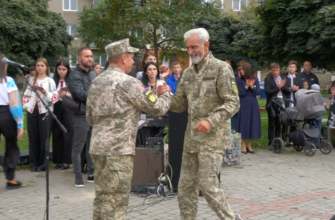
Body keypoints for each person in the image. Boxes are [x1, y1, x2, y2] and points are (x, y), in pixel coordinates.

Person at [158, 28, 242, 220]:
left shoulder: (221, 68)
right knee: (185, 187)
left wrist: (211, 121)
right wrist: (166, 95)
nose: (190, 51)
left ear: (206, 45)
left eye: (194, 47)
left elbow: (233, 102)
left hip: (212, 140)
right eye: (188, 48)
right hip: (192, 141)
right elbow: (179, 105)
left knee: (208, 185)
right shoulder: (187, 74)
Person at [86, 38, 171, 220]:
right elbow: (156, 107)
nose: (134, 62)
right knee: (116, 201)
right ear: (123, 58)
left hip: (98, 148)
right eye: (132, 57)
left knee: (102, 198)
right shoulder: (129, 83)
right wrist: (166, 96)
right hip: (118, 151)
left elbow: (89, 117)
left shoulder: (96, 82)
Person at [23, 58, 58, 172]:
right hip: (32, 111)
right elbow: (26, 95)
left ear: (46, 67)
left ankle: (43, 164)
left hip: (45, 112)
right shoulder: (31, 79)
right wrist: (27, 106)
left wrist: (45, 92)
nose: (39, 67)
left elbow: (54, 98)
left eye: (42, 65)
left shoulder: (50, 81)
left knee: (44, 138)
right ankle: (33, 163)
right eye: (38, 65)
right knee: (33, 138)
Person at [67, 47, 96, 187]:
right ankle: (78, 177)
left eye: (91, 56)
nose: (89, 59)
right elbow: (82, 95)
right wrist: (97, 95)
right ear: (79, 58)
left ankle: (92, 173)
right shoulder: (74, 76)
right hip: (81, 115)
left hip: (94, 114)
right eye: (86, 56)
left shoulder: (92, 75)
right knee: (78, 147)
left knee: (92, 146)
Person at [0, 52, 24, 189]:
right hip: (5, 115)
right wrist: (19, 122)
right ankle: (11, 179)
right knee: (11, 145)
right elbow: (13, 103)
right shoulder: (8, 80)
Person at [52, 59, 74, 170]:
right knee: (56, 131)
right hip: (56, 105)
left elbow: (76, 94)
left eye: (64, 69)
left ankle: (66, 160)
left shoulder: (71, 80)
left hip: (68, 106)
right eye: (59, 69)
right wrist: (57, 94)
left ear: (68, 70)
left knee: (67, 130)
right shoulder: (53, 81)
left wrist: (67, 94)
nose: (61, 71)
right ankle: (58, 159)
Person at [236, 62, 261, 154]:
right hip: (244, 103)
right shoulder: (239, 80)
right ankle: (243, 144)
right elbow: (240, 93)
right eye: (240, 69)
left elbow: (258, 92)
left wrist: (252, 86)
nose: (241, 71)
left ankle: (249, 145)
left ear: (247, 70)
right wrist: (246, 86)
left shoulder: (255, 79)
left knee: (252, 122)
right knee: (244, 123)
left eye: (242, 69)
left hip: (253, 103)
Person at [264, 63, 290, 150]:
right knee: (272, 123)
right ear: (271, 70)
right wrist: (278, 87)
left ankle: (278, 142)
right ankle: (271, 142)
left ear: (279, 70)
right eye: (273, 70)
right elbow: (268, 92)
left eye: (276, 70)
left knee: (279, 123)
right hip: (272, 103)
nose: (275, 72)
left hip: (282, 102)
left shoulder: (283, 78)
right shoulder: (268, 79)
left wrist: (282, 87)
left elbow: (287, 91)